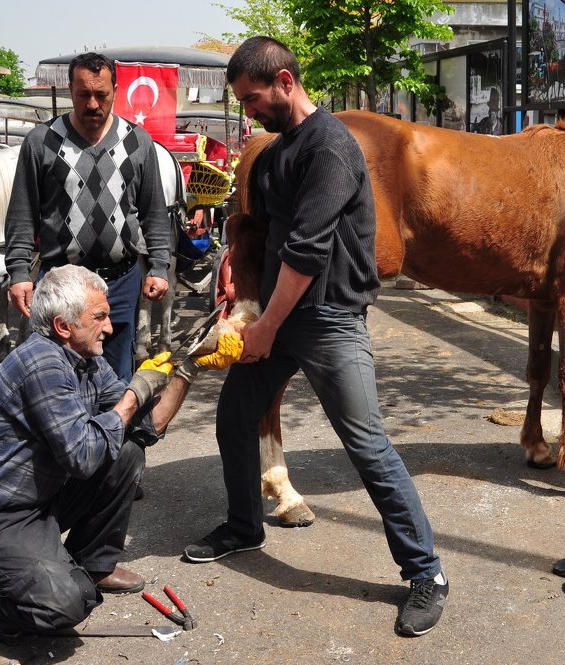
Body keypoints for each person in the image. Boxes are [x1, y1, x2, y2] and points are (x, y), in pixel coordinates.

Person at [181, 36, 449, 638]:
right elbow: (268, 231)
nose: (249, 112)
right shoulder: (281, 151)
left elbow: (306, 249)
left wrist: (266, 326)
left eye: (253, 100)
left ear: (283, 81)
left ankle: (426, 573)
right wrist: (239, 278)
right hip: (280, 313)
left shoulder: (329, 147)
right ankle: (245, 526)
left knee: (368, 447)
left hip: (326, 319)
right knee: (234, 417)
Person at [0, 264, 201, 632]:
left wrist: (189, 368)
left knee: (127, 452)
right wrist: (131, 397)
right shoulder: (42, 362)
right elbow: (83, 456)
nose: (109, 327)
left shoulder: (87, 360)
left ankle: (92, 564)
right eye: (100, 317)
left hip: (34, 500)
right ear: (64, 326)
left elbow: (147, 425)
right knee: (64, 608)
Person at [5, 52, 172, 383]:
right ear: (70, 90)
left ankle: (114, 435)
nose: (93, 104)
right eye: (84, 94)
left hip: (120, 286)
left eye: (102, 95)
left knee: (117, 381)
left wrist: (160, 266)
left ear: (116, 89)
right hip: (61, 287)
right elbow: (22, 214)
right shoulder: (40, 142)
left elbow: (155, 212)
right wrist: (19, 271)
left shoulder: (138, 142)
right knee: (57, 381)